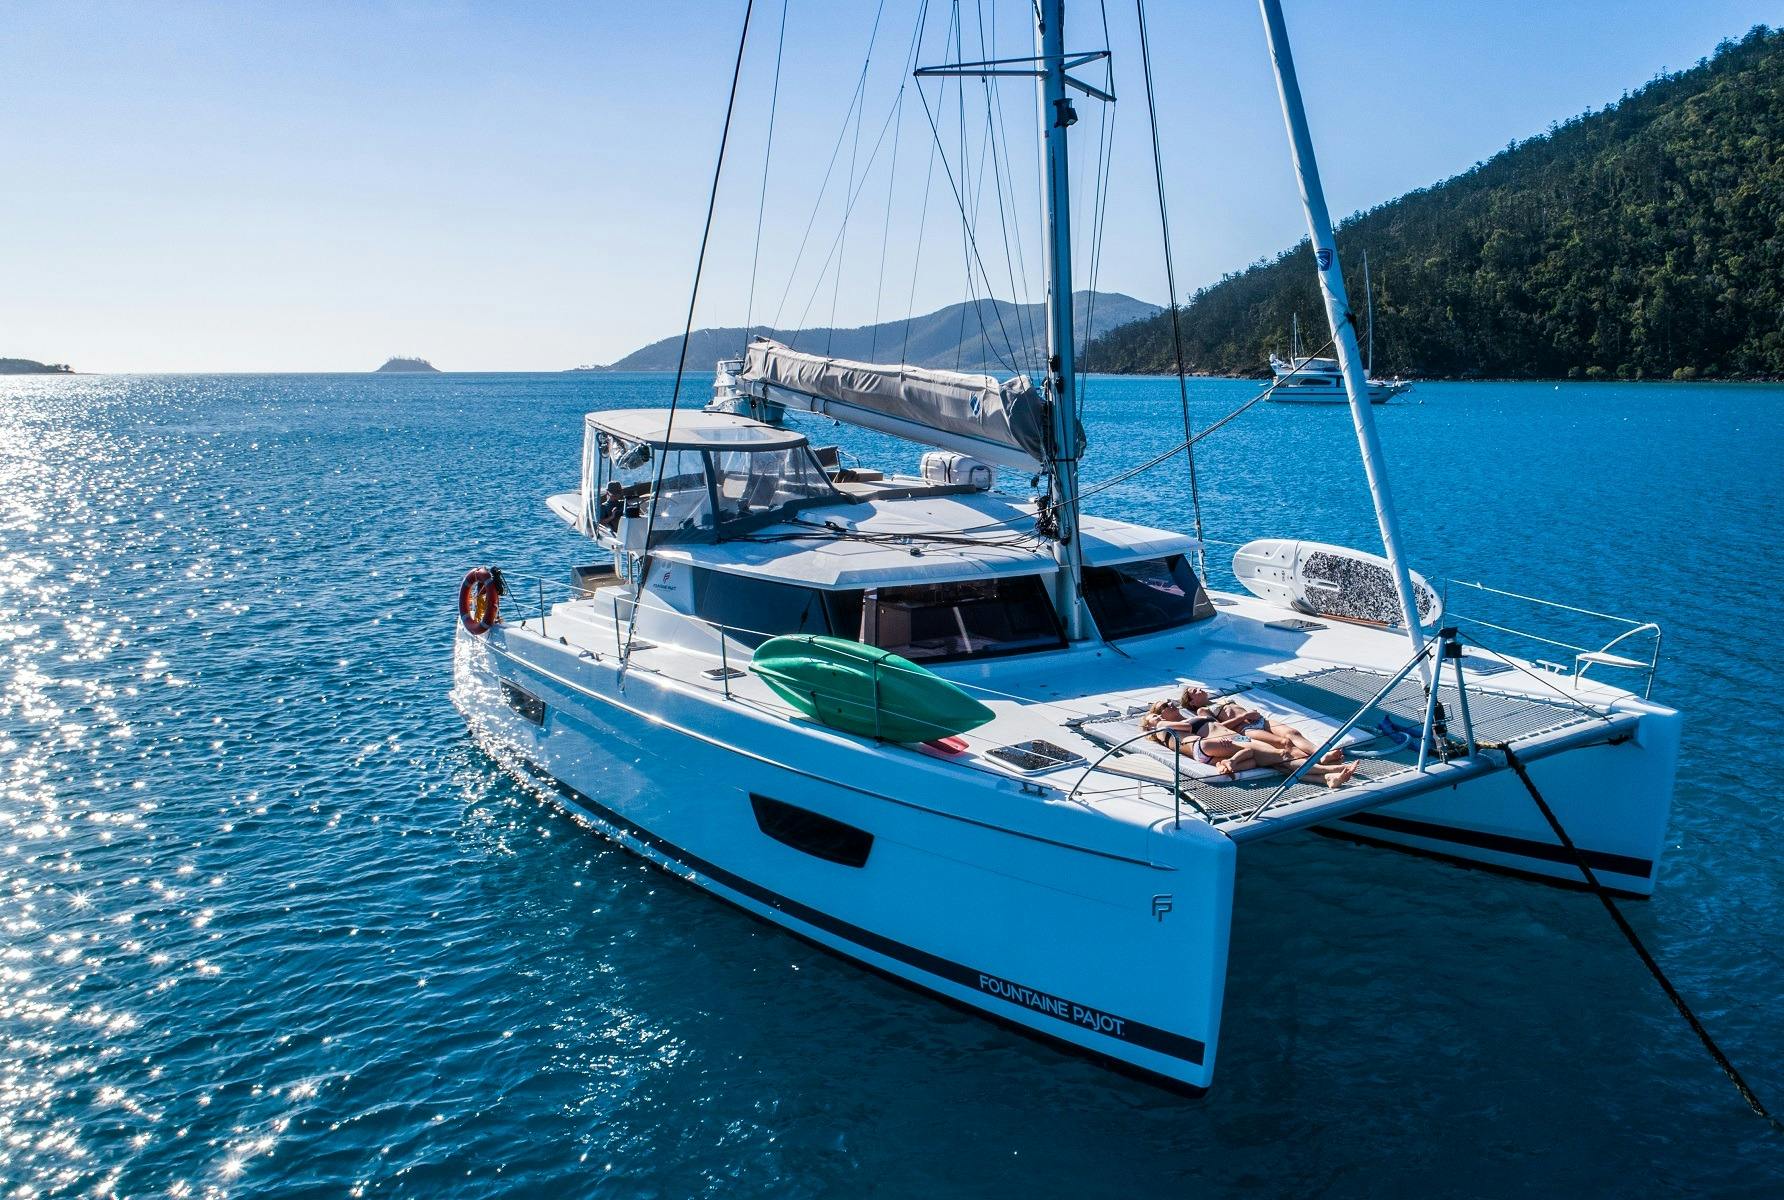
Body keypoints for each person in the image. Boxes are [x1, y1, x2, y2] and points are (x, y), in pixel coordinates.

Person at [1141, 698, 1356, 787]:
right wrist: (1158, 722)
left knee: (1274, 758)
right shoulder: (1167, 726)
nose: (1170, 704)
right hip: (1225, 741)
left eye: (1169, 702)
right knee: (1281, 754)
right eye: (1164, 707)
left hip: (1235, 738)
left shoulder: (1183, 720)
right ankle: (1330, 768)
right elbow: (1186, 730)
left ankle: (1326, 777)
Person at [1178, 685, 1343, 764]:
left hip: (1259, 720)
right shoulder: (1202, 711)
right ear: (1192, 702)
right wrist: (1244, 716)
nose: (1199, 690)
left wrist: (1251, 714)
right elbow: (1219, 727)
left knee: (1293, 733)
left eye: (1198, 688)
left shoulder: (1219, 699)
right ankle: (1312, 762)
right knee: (1283, 743)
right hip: (1244, 730)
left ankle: (1320, 754)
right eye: (1195, 692)